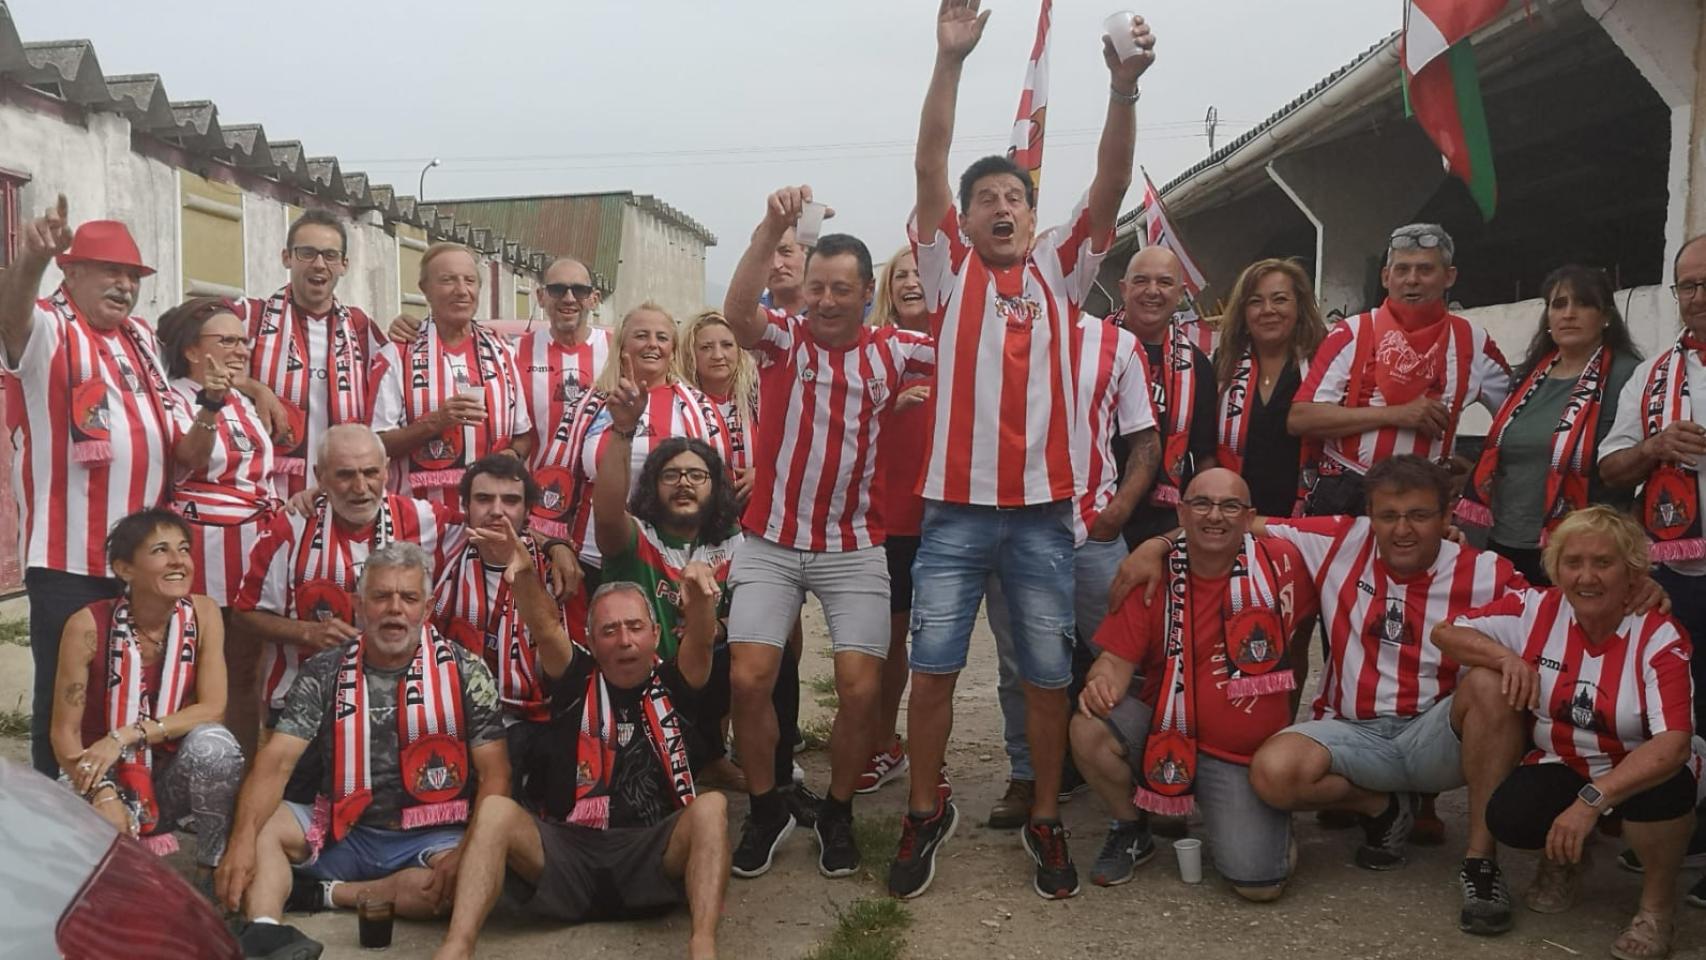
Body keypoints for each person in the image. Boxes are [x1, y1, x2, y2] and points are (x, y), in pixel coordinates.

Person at [891, 2, 1153, 901]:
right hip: (955, 516)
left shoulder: (1056, 270)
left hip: (1045, 519)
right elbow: (929, 160)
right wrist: (949, 61)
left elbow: (1111, 191)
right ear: (960, 221)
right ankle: (926, 809)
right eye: (986, 198)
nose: (1002, 206)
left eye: (1016, 197)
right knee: (931, 673)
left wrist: (1121, 91)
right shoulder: (946, 273)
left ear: (1033, 217)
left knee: (1047, 677)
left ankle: (1046, 816)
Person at [722, 214, 935, 880]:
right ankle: (766, 808)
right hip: (773, 539)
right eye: (817, 287)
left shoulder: (897, 349)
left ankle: (837, 812)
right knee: (748, 678)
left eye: (842, 289)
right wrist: (768, 229)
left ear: (866, 290)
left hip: (853, 545)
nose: (827, 301)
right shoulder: (784, 339)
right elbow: (736, 313)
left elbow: (971, 345)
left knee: (860, 690)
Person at [215, 542, 509, 960]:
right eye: (381, 596)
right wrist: (241, 842)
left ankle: (326, 894)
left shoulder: (466, 671)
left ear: (427, 609)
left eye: (408, 598)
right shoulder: (325, 669)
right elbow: (277, 760)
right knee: (261, 828)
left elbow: (496, 772)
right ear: (358, 605)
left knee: (469, 880)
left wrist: (467, 849)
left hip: (429, 835)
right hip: (341, 825)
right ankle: (265, 932)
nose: (394, 609)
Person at [430, 560, 730, 960]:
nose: (624, 640)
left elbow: (702, 640)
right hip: (568, 851)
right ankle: (457, 947)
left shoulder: (678, 683)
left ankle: (702, 945)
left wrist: (700, 595)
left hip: (651, 851)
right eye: (609, 630)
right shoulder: (575, 680)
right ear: (589, 638)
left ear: (656, 634)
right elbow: (545, 628)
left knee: (713, 807)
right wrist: (520, 570)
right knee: (496, 812)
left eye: (635, 627)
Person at [1436, 506, 1700, 955]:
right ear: (1555, 569)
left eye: (1603, 562)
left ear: (1633, 571)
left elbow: (1672, 744)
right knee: (1510, 817)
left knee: (1666, 789)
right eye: (1572, 563)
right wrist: (1506, 659)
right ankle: (1564, 863)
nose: (1587, 577)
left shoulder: (1659, 635)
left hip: (1638, 767)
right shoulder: (1537, 607)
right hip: (1565, 759)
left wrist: (1590, 802)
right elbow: (1446, 632)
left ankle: (1656, 909)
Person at [0, 197, 181, 777]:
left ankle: (123, 814)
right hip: (69, 560)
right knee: (66, 704)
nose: (125, 286)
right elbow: (11, 316)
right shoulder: (50, 329)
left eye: (132, 275)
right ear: (70, 272)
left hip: (140, 561)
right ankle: (58, 835)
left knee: (129, 695)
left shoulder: (142, 340)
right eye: (110, 271)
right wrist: (29, 259)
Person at [1074, 469, 1316, 897]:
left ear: (1249, 517)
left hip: (1244, 758)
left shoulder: (1287, 561)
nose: (1215, 516)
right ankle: (1132, 828)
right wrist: (1100, 683)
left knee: (1260, 886)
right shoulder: (1150, 573)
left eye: (1229, 506)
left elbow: (1358, 545)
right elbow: (1114, 662)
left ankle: (1265, 816)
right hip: (1165, 735)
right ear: (1182, 512)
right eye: (1202, 504)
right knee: (1089, 722)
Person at [985, 294, 1161, 830]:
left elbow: (1144, 441)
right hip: (1011, 531)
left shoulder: (1117, 343)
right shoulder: (992, 334)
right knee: (1019, 664)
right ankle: (1030, 775)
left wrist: (1118, 512)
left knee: (1128, 656)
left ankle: (1148, 770)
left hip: (1093, 534)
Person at [232, 425, 459, 743]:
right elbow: (245, 613)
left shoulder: (426, 520)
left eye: (370, 473)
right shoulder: (290, 527)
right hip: (302, 706)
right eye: (345, 475)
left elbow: (495, 526)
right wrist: (307, 632)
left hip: (403, 704)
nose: (360, 487)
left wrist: (553, 547)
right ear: (319, 476)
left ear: (386, 471)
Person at [1598, 232, 1706, 898]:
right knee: (1678, 711)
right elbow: (1610, 465)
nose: (1697, 297)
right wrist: (1657, 445)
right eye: (1687, 285)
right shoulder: (1654, 372)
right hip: (1672, 571)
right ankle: (1681, 831)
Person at [51, 509, 243, 875]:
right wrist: (101, 793)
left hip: (168, 770)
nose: (178, 561)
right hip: (99, 769)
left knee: (215, 746)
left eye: (184, 549)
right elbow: (63, 734)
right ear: (125, 569)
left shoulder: (203, 613)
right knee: (105, 870)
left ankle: (211, 869)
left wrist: (127, 735)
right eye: (160, 551)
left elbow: (213, 708)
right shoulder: (87, 625)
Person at [1290, 223, 1512, 515]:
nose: (1412, 280)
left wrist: (1476, 474)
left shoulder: (1474, 342)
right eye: (1402, 270)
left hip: (1427, 495)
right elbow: (1301, 418)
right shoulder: (1351, 332)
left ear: (1449, 277)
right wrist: (1398, 415)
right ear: (1385, 277)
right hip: (1349, 491)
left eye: (1425, 270)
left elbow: (1518, 424)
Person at [592, 395, 744, 784]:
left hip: (702, 677)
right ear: (653, 486)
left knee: (745, 654)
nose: (684, 484)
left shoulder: (732, 541)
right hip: (639, 675)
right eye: (671, 475)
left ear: (714, 486)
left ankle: (718, 758)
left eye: (697, 475)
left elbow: (744, 612)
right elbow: (607, 510)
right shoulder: (635, 537)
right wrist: (623, 433)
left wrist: (715, 627)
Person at [1454, 266, 1640, 583]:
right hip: (1504, 541)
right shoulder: (1527, 377)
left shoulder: (1628, 376)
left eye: (1583, 304)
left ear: (1606, 316)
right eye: (1558, 304)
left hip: (1582, 552)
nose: (1569, 314)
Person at [530, 303, 729, 573]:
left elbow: (717, 491)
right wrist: (556, 545)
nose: (652, 345)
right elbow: (558, 481)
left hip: (671, 565)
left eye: (661, 337)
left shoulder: (699, 409)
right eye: (641, 335)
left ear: (673, 350)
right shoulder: (589, 404)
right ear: (622, 345)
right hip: (588, 559)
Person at [431, 454, 584, 797]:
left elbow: (566, 663)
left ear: (528, 510)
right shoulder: (443, 545)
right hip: (451, 709)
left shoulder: (555, 568)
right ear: (465, 506)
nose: (497, 510)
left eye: (510, 501)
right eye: (484, 499)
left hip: (531, 715)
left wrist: (556, 547)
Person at [229, 209, 382, 498]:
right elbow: (190, 347)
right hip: (268, 488)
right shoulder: (252, 317)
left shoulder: (361, 328)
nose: (319, 264)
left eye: (330, 255)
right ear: (287, 257)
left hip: (343, 492)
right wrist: (255, 388)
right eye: (307, 253)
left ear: (344, 264)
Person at [371, 241, 532, 511]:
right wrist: (436, 421)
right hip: (417, 517)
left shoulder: (502, 351)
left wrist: (514, 454)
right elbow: (377, 444)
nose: (461, 291)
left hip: (488, 515)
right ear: (425, 289)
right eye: (447, 280)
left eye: (469, 280)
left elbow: (523, 435)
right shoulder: (396, 354)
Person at [860, 247, 934, 795]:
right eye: (901, 275)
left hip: (953, 512)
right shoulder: (877, 347)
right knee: (889, 637)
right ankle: (884, 742)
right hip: (890, 513)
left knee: (941, 642)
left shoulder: (963, 340)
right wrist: (889, 407)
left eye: (921, 273)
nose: (911, 281)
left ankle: (932, 752)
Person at [160, 297, 282, 608]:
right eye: (228, 341)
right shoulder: (173, 398)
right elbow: (191, 458)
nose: (242, 351)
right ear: (191, 350)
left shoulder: (241, 400)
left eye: (243, 341)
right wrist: (211, 403)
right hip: (208, 550)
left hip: (255, 544)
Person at [1114, 246, 1218, 543]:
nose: (1152, 291)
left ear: (1180, 292)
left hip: (1162, 520)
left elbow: (1205, 453)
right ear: (1123, 288)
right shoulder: (1090, 348)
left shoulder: (1197, 366)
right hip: (1088, 508)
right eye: (1141, 280)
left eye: (1164, 282)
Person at [1213, 258, 1328, 517]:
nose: (1268, 310)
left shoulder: (1325, 360)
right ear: (1243, 311)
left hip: (1305, 513)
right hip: (1234, 513)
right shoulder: (1223, 363)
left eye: (1280, 299)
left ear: (1299, 306)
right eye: (1256, 301)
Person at [515, 257, 612, 479]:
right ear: (540, 297)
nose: (569, 299)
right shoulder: (515, 352)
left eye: (579, 290)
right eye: (557, 289)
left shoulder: (618, 351)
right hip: (537, 495)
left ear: (594, 299)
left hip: (600, 496)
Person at [676, 309, 759, 508]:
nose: (718, 355)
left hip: (760, 518)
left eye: (727, 345)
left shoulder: (759, 396)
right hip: (705, 517)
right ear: (691, 354)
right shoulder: (680, 402)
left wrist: (762, 473)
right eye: (706, 347)